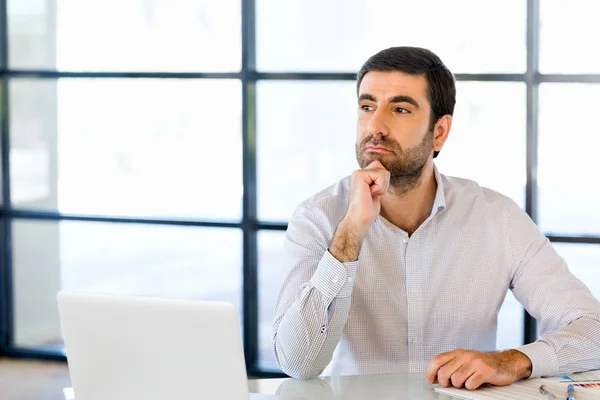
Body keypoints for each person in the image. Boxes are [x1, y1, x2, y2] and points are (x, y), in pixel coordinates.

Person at [271, 46, 600, 390]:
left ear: (439, 131)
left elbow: (592, 328)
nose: (375, 126)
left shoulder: (497, 218)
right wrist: (350, 233)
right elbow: (297, 362)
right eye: (367, 106)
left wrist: (511, 361)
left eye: (399, 109)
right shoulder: (317, 218)